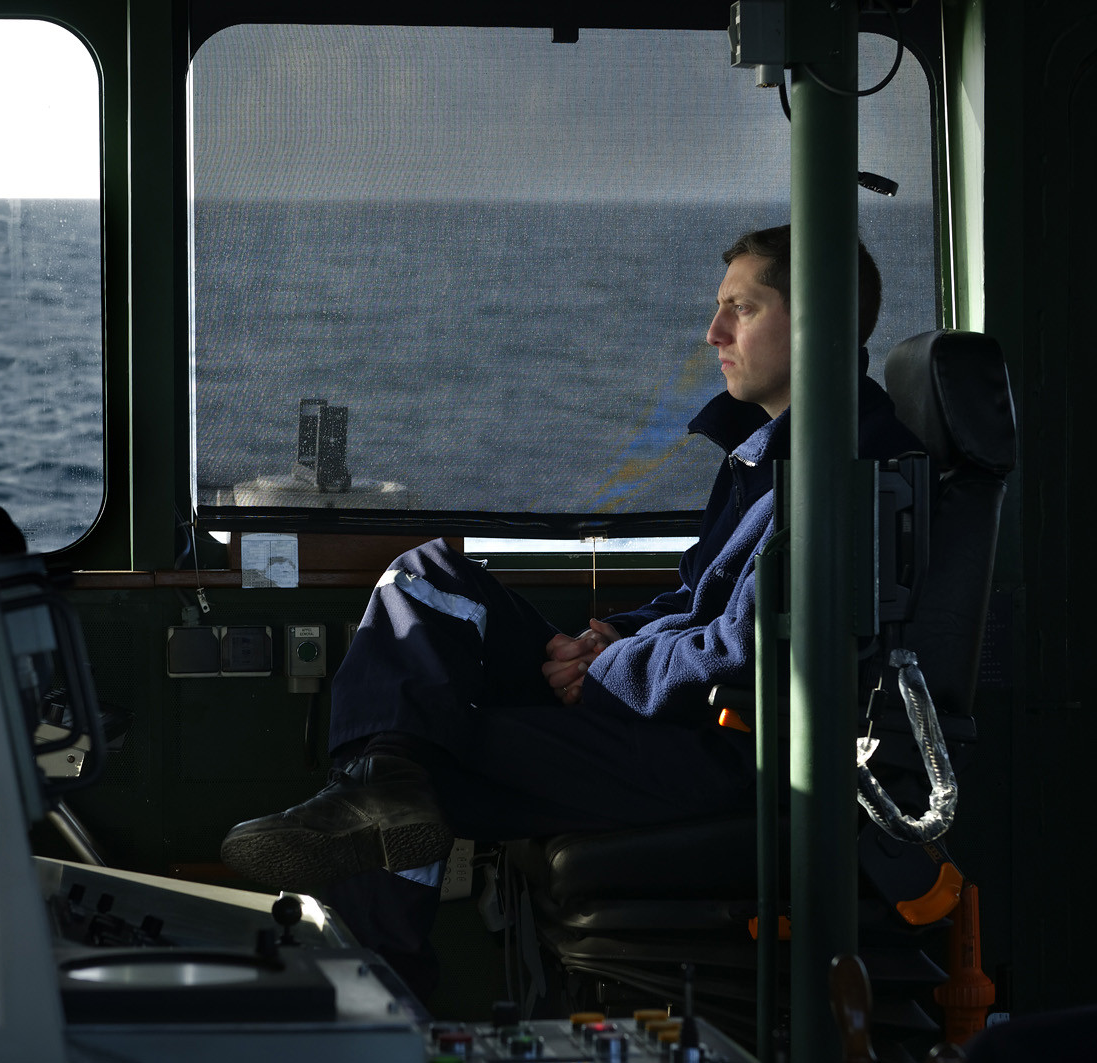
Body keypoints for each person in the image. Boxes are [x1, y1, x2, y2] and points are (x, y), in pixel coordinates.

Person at [220, 224, 924, 993]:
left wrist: (609, 670)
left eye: (742, 309)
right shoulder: (768, 454)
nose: (713, 332)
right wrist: (612, 634)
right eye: (720, 308)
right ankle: (379, 780)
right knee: (425, 577)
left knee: (428, 757)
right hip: (662, 702)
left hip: (721, 748)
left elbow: (748, 647)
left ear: (817, 321)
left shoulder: (845, 468)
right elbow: (695, 595)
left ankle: (380, 985)